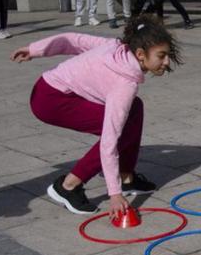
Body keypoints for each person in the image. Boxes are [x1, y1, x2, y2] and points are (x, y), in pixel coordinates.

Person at [11, 15, 182, 216]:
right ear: (140, 54)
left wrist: (34, 50)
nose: (166, 61)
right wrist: (114, 194)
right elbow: (109, 142)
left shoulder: (116, 46)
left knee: (135, 109)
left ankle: (125, 176)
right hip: (51, 102)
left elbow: (73, 40)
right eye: (161, 56)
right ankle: (68, 186)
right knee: (122, 129)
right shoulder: (123, 86)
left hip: (47, 88)